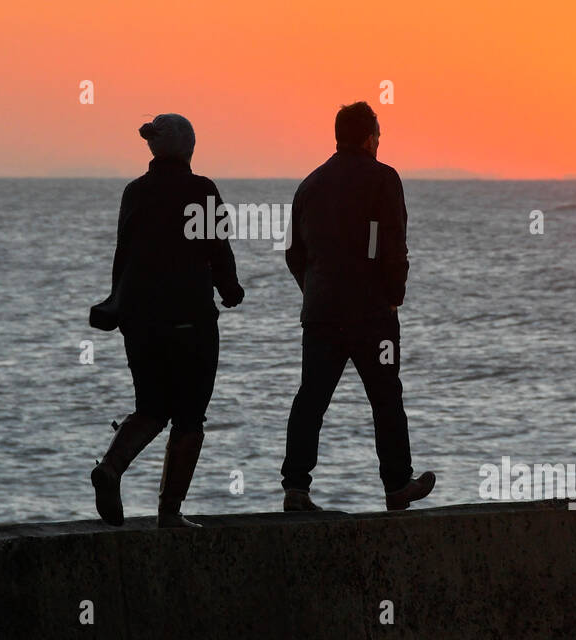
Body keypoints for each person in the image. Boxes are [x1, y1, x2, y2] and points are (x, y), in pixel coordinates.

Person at [89, 113, 244, 528]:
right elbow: (219, 250)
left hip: (139, 320)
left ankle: (111, 467)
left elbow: (123, 256)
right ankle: (170, 512)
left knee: (151, 407)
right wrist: (231, 291)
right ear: (188, 148)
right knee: (189, 416)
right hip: (190, 319)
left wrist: (120, 307)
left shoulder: (134, 192)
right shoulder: (202, 189)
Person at [282, 101, 435, 511]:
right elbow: (393, 245)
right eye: (379, 135)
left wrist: (314, 292)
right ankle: (397, 484)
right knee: (386, 397)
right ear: (370, 137)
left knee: (311, 398)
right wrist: (393, 295)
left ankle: (296, 488)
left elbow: (295, 254)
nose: (380, 142)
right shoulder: (383, 179)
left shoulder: (309, 185)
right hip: (372, 314)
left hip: (321, 314)